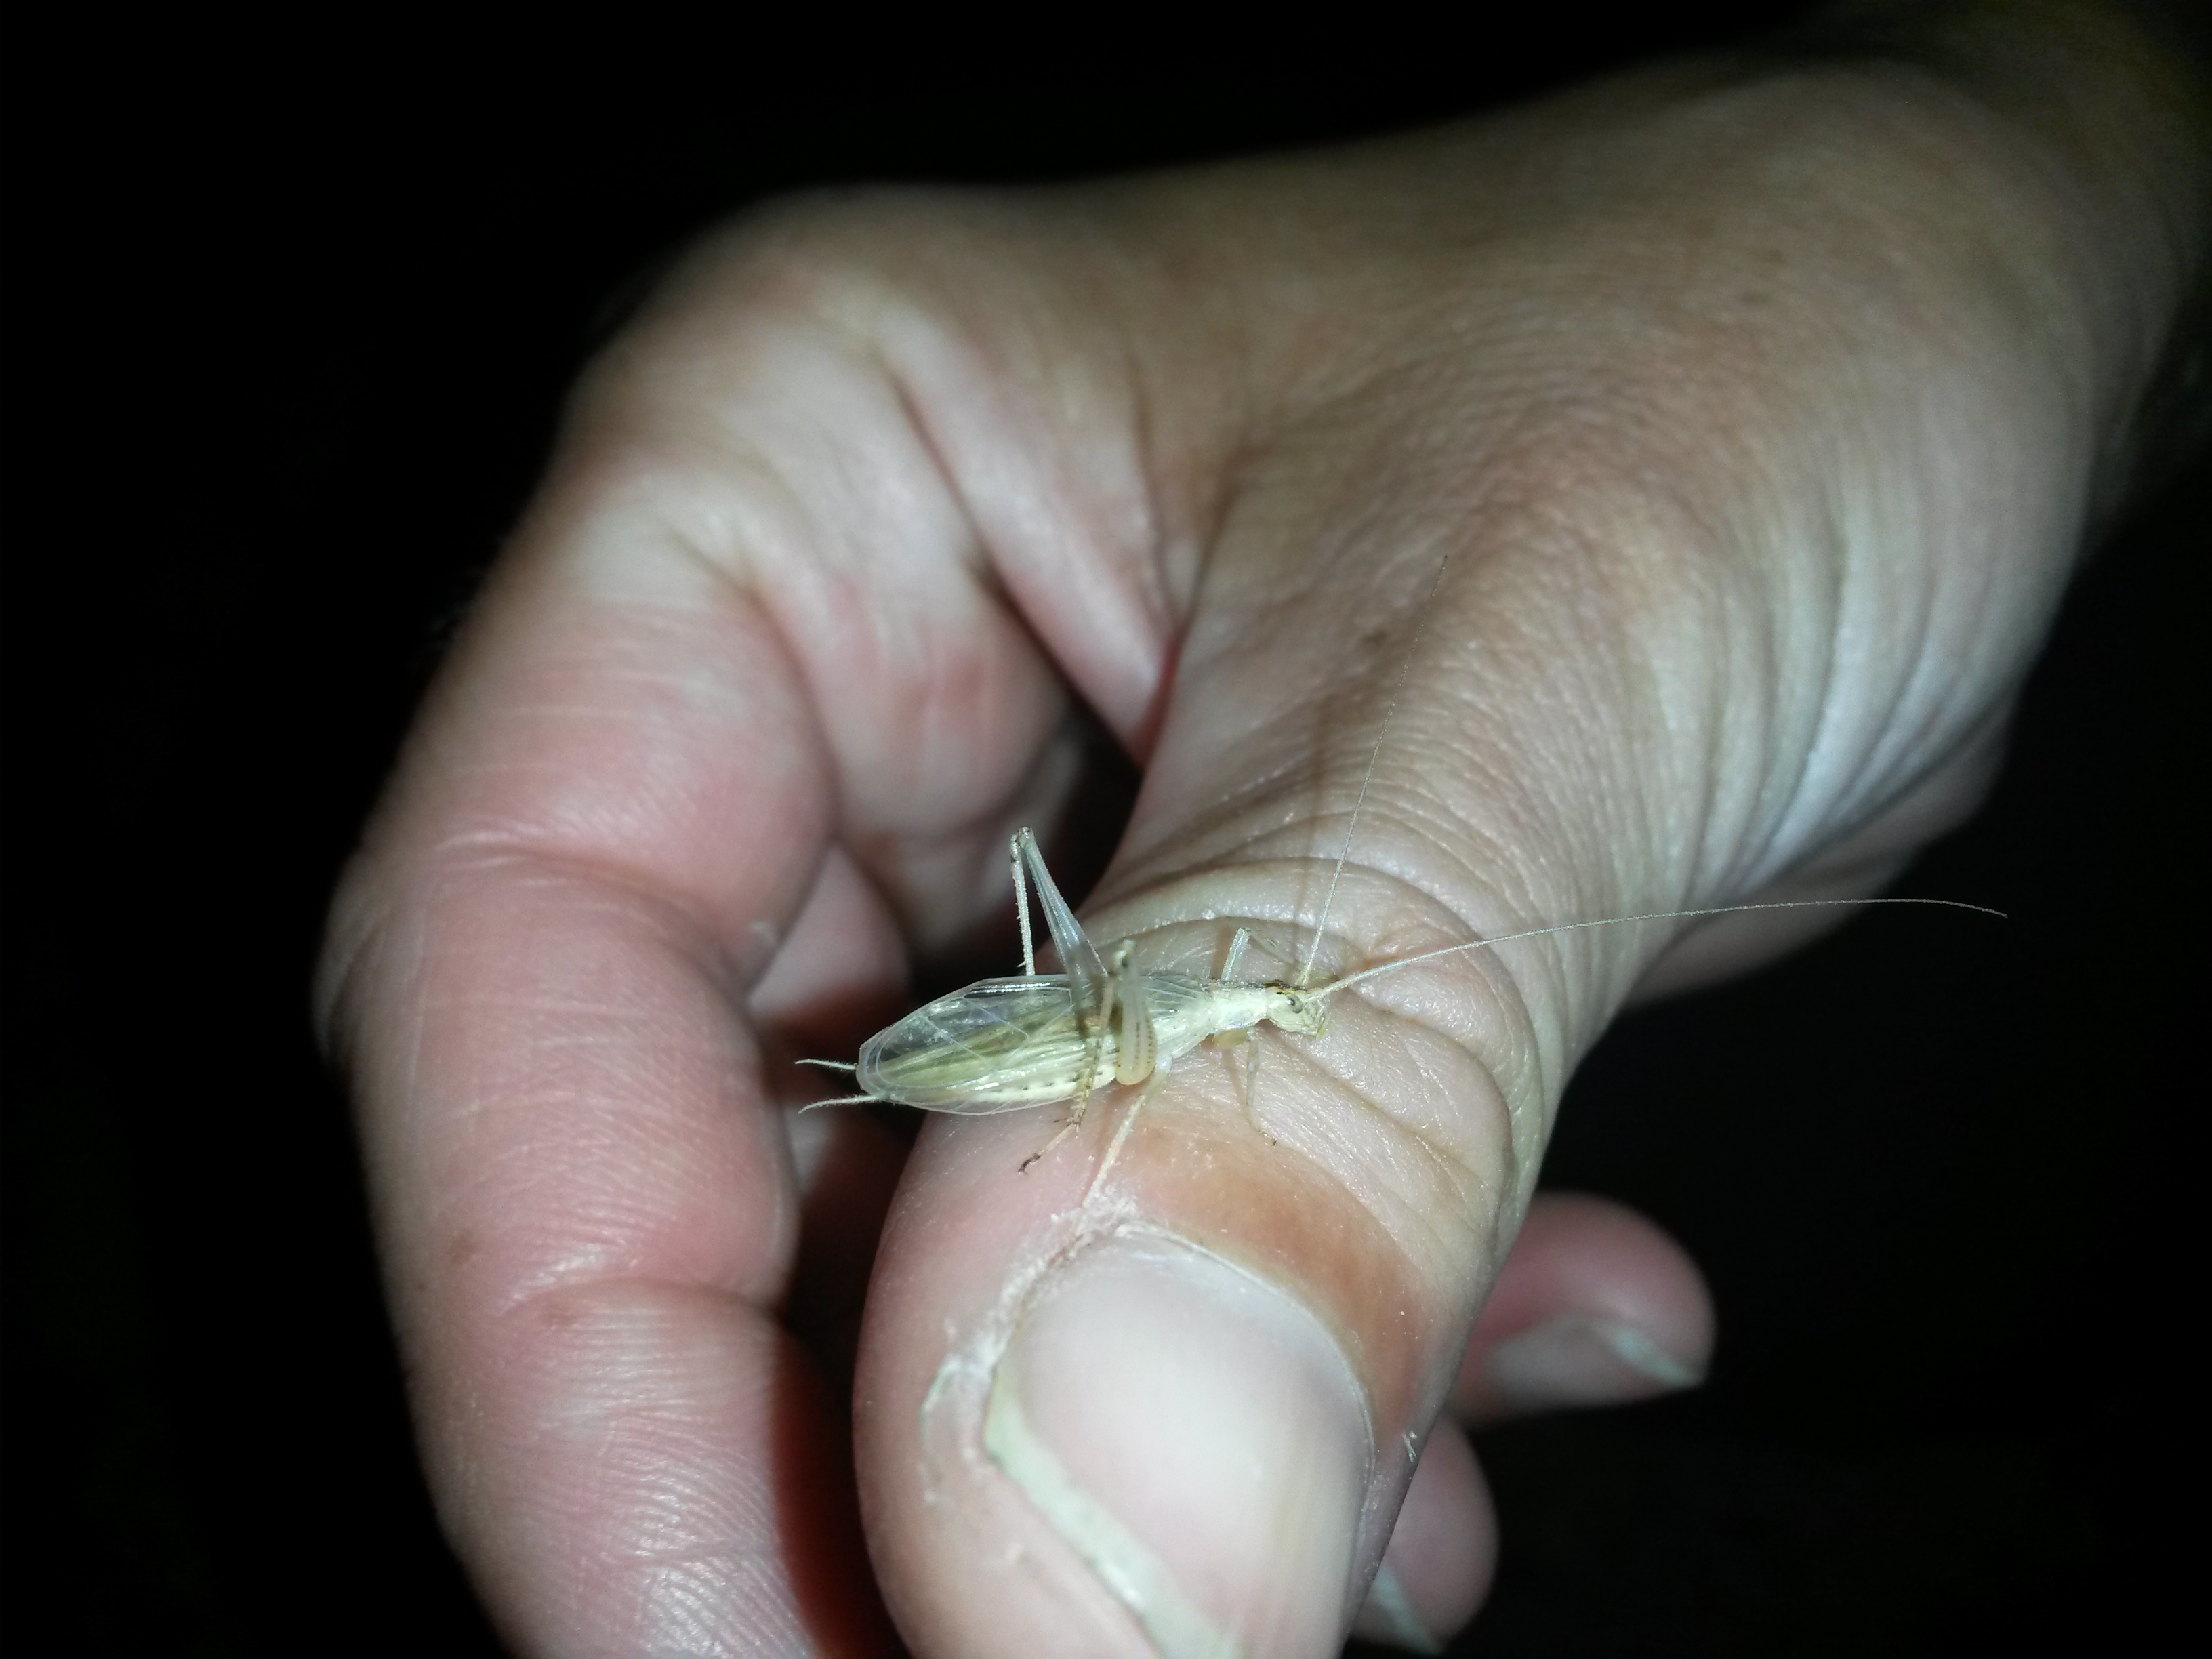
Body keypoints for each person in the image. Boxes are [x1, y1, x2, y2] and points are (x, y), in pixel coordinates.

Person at [316, 4, 2208, 1652]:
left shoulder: (1231, 1008)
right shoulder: (1175, 1017)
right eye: (1290, 1008)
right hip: (1048, 1040)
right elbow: (1135, 1033)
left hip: (1064, 1046)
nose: (1288, 1015)